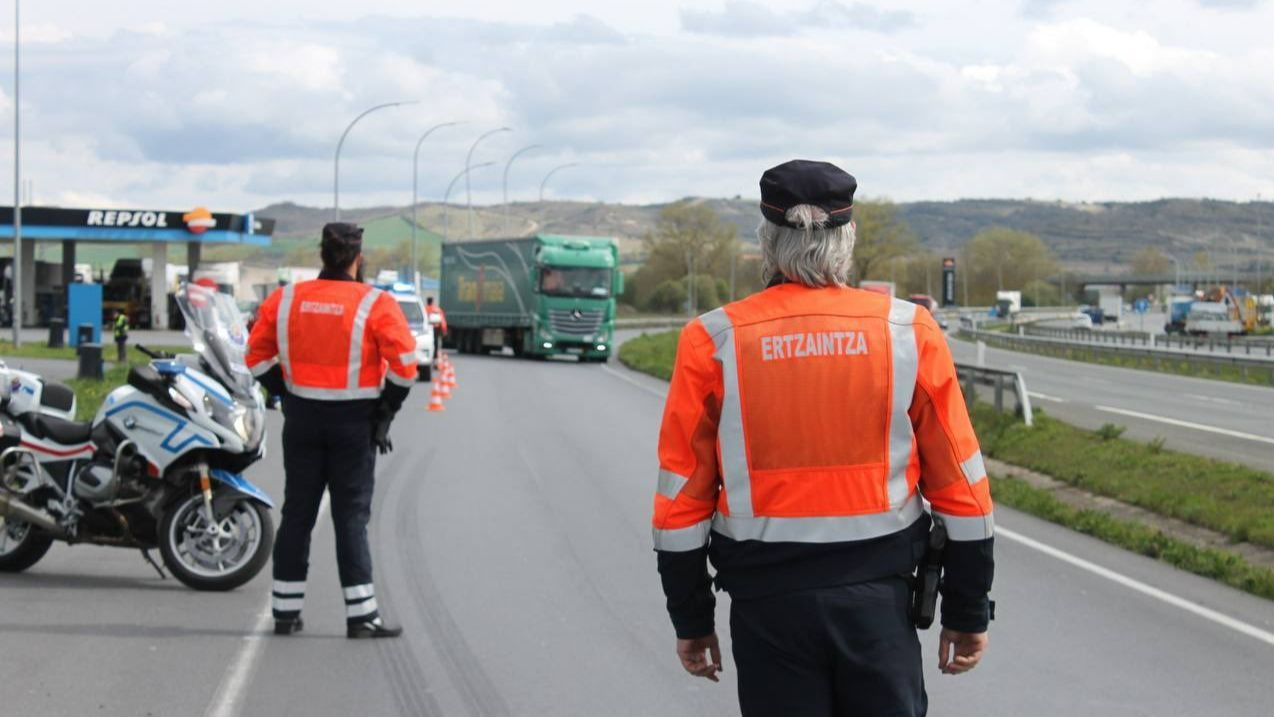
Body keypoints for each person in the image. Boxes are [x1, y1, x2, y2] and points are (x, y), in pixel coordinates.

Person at [651, 160, 994, 716]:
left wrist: (692, 622)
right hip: (879, 606)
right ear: (846, 240)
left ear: (767, 240)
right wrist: (967, 611)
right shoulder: (907, 332)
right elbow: (964, 491)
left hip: (768, 612)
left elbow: (679, 505)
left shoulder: (712, 340)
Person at [246, 222, 419, 639]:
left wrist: (285, 393)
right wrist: (385, 413)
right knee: (350, 518)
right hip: (353, 425)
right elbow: (406, 367)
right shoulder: (375, 303)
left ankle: (285, 613)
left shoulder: (285, 300)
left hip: (302, 420)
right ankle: (361, 616)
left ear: (321, 255)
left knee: (297, 514)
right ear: (358, 259)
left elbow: (255, 357)